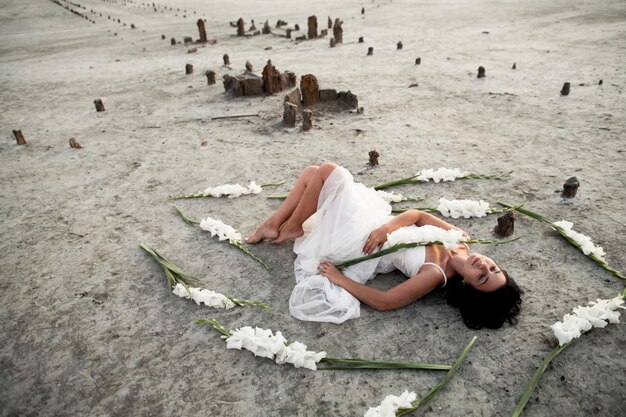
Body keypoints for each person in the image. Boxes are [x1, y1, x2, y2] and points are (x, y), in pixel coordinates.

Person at [246, 163, 522, 329]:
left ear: (468, 286)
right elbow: (417, 215)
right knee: (314, 173)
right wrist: (387, 227)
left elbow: (386, 302)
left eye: (483, 277)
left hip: (363, 246)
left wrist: (339, 278)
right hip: (378, 226)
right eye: (493, 267)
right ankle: (272, 225)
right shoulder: (461, 238)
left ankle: (290, 226)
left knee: (330, 173)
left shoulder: (435, 273)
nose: (484, 266)